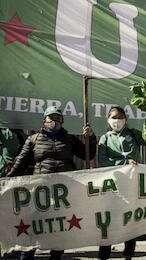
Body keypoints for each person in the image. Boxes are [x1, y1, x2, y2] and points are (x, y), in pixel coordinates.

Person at [7, 106, 96, 260]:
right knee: (34, 225)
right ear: (44, 120)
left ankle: (56, 256)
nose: (55, 121)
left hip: (63, 191)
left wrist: (91, 138)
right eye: (51, 118)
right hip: (40, 190)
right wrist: (6, 181)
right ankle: (26, 255)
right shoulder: (33, 139)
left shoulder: (69, 139)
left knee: (59, 226)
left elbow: (88, 154)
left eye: (58, 118)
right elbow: (20, 163)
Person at [97, 106, 146, 260]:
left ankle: (128, 254)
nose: (116, 121)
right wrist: (125, 161)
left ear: (125, 119)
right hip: (113, 185)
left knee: (130, 218)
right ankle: (104, 254)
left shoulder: (133, 134)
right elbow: (103, 161)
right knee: (109, 219)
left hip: (132, 184)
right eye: (113, 117)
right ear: (108, 120)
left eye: (119, 117)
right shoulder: (105, 138)